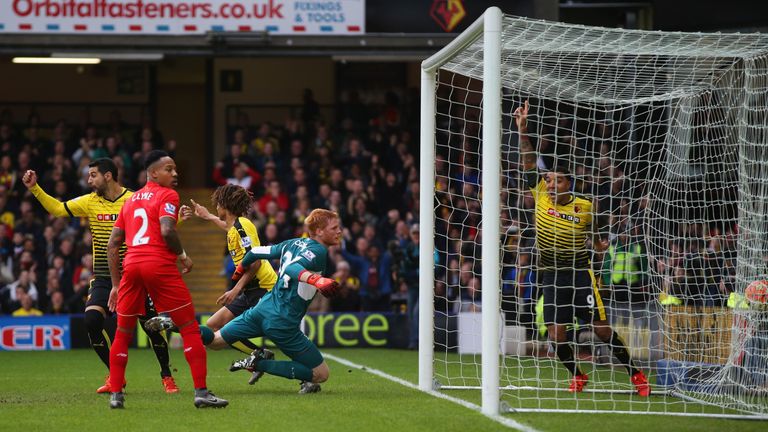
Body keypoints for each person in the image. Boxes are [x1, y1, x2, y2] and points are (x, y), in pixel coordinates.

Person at [513, 100, 650, 396]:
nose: (551, 184)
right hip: (551, 276)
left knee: (601, 331)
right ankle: (578, 375)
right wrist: (523, 131)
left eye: (557, 181)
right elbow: (527, 160)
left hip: (580, 276)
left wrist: (600, 264)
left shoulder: (586, 208)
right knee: (557, 338)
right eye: (549, 179)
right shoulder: (540, 196)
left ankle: (636, 374)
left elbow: (598, 240)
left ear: (569, 185)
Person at [22, 159, 178, 394]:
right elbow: (57, 208)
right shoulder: (89, 202)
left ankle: (167, 376)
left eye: (92, 175)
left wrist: (181, 219)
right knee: (92, 321)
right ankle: (116, 376)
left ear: (108, 176)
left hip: (135, 274)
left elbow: (159, 223)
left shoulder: (134, 199)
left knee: (151, 328)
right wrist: (35, 188)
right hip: (104, 277)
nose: (88, 180)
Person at [105, 150, 227, 409]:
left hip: (132, 266)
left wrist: (116, 284)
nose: (175, 174)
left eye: (175, 169)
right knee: (189, 329)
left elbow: (112, 244)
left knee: (123, 332)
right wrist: (182, 255)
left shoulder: (129, 201)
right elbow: (167, 230)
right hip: (158, 264)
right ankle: (202, 392)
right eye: (169, 169)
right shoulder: (167, 195)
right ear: (153, 173)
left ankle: (116, 394)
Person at [187, 208, 340, 394]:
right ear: (319, 231)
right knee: (321, 373)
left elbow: (255, 252)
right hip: (283, 322)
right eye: (334, 228)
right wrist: (317, 280)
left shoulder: (292, 242)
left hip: (261, 309)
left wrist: (241, 268)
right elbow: (293, 268)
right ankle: (259, 363)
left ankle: (174, 324)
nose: (339, 231)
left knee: (214, 341)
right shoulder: (318, 252)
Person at [151, 183, 278, 385]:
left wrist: (235, 290)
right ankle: (259, 354)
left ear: (224, 205)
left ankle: (307, 372)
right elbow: (227, 226)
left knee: (278, 331)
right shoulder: (234, 227)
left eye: (217, 204)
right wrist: (208, 216)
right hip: (250, 289)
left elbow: (255, 262)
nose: (216, 207)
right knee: (213, 325)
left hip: (265, 287)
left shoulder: (243, 226)